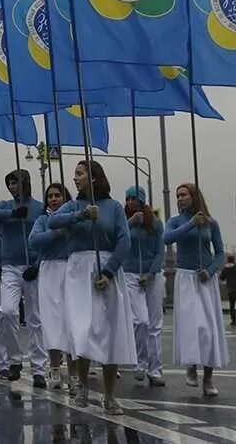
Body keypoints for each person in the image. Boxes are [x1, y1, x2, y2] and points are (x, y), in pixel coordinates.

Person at [48, 159, 134, 415]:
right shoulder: (73, 205)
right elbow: (52, 221)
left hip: (105, 269)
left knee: (109, 330)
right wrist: (81, 215)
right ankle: (82, 384)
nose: (75, 178)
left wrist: (108, 272)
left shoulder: (114, 207)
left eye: (79, 174)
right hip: (78, 270)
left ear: (94, 178)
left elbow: (124, 241)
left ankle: (109, 395)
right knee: (82, 328)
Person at [162, 183, 227, 397]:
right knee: (191, 326)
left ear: (194, 197)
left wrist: (210, 271)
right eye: (178, 195)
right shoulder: (176, 221)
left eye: (184, 195)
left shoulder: (211, 223)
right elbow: (167, 238)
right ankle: (191, 366)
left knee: (207, 328)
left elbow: (220, 253)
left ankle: (208, 377)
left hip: (205, 279)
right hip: (185, 277)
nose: (180, 198)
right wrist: (191, 224)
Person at [0, 169, 44, 386]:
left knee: (36, 318)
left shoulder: (39, 208)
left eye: (16, 182)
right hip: (9, 266)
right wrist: (12, 215)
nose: (12, 187)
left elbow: (46, 235)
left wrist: (37, 264)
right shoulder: (6, 205)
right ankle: (15, 359)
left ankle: (39, 368)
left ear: (26, 182)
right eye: (10, 184)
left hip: (32, 266)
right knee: (7, 311)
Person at [27, 182, 73, 396]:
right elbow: (34, 241)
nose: (54, 199)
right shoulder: (43, 220)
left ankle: (74, 373)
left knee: (72, 321)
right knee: (53, 321)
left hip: (71, 270)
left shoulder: (73, 217)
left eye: (58, 195)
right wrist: (56, 234)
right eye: (50, 196)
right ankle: (54, 368)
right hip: (49, 271)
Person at [121, 186, 166, 387]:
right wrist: (130, 224)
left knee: (155, 324)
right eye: (128, 199)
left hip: (152, 275)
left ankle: (155, 369)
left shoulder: (155, 224)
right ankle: (139, 363)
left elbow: (160, 251)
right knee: (140, 321)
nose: (131, 202)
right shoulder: (123, 222)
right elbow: (118, 242)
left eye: (135, 199)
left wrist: (151, 273)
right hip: (130, 273)